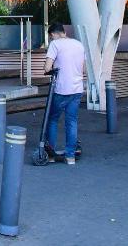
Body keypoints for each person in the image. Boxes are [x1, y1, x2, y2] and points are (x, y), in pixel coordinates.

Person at [43, 22, 85, 165]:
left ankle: (51, 155)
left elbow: (47, 67)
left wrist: (49, 68)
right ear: (64, 32)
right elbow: (84, 69)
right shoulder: (79, 45)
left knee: (53, 119)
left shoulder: (55, 44)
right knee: (71, 121)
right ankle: (70, 156)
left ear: (53, 34)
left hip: (61, 89)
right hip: (77, 89)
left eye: (51, 37)